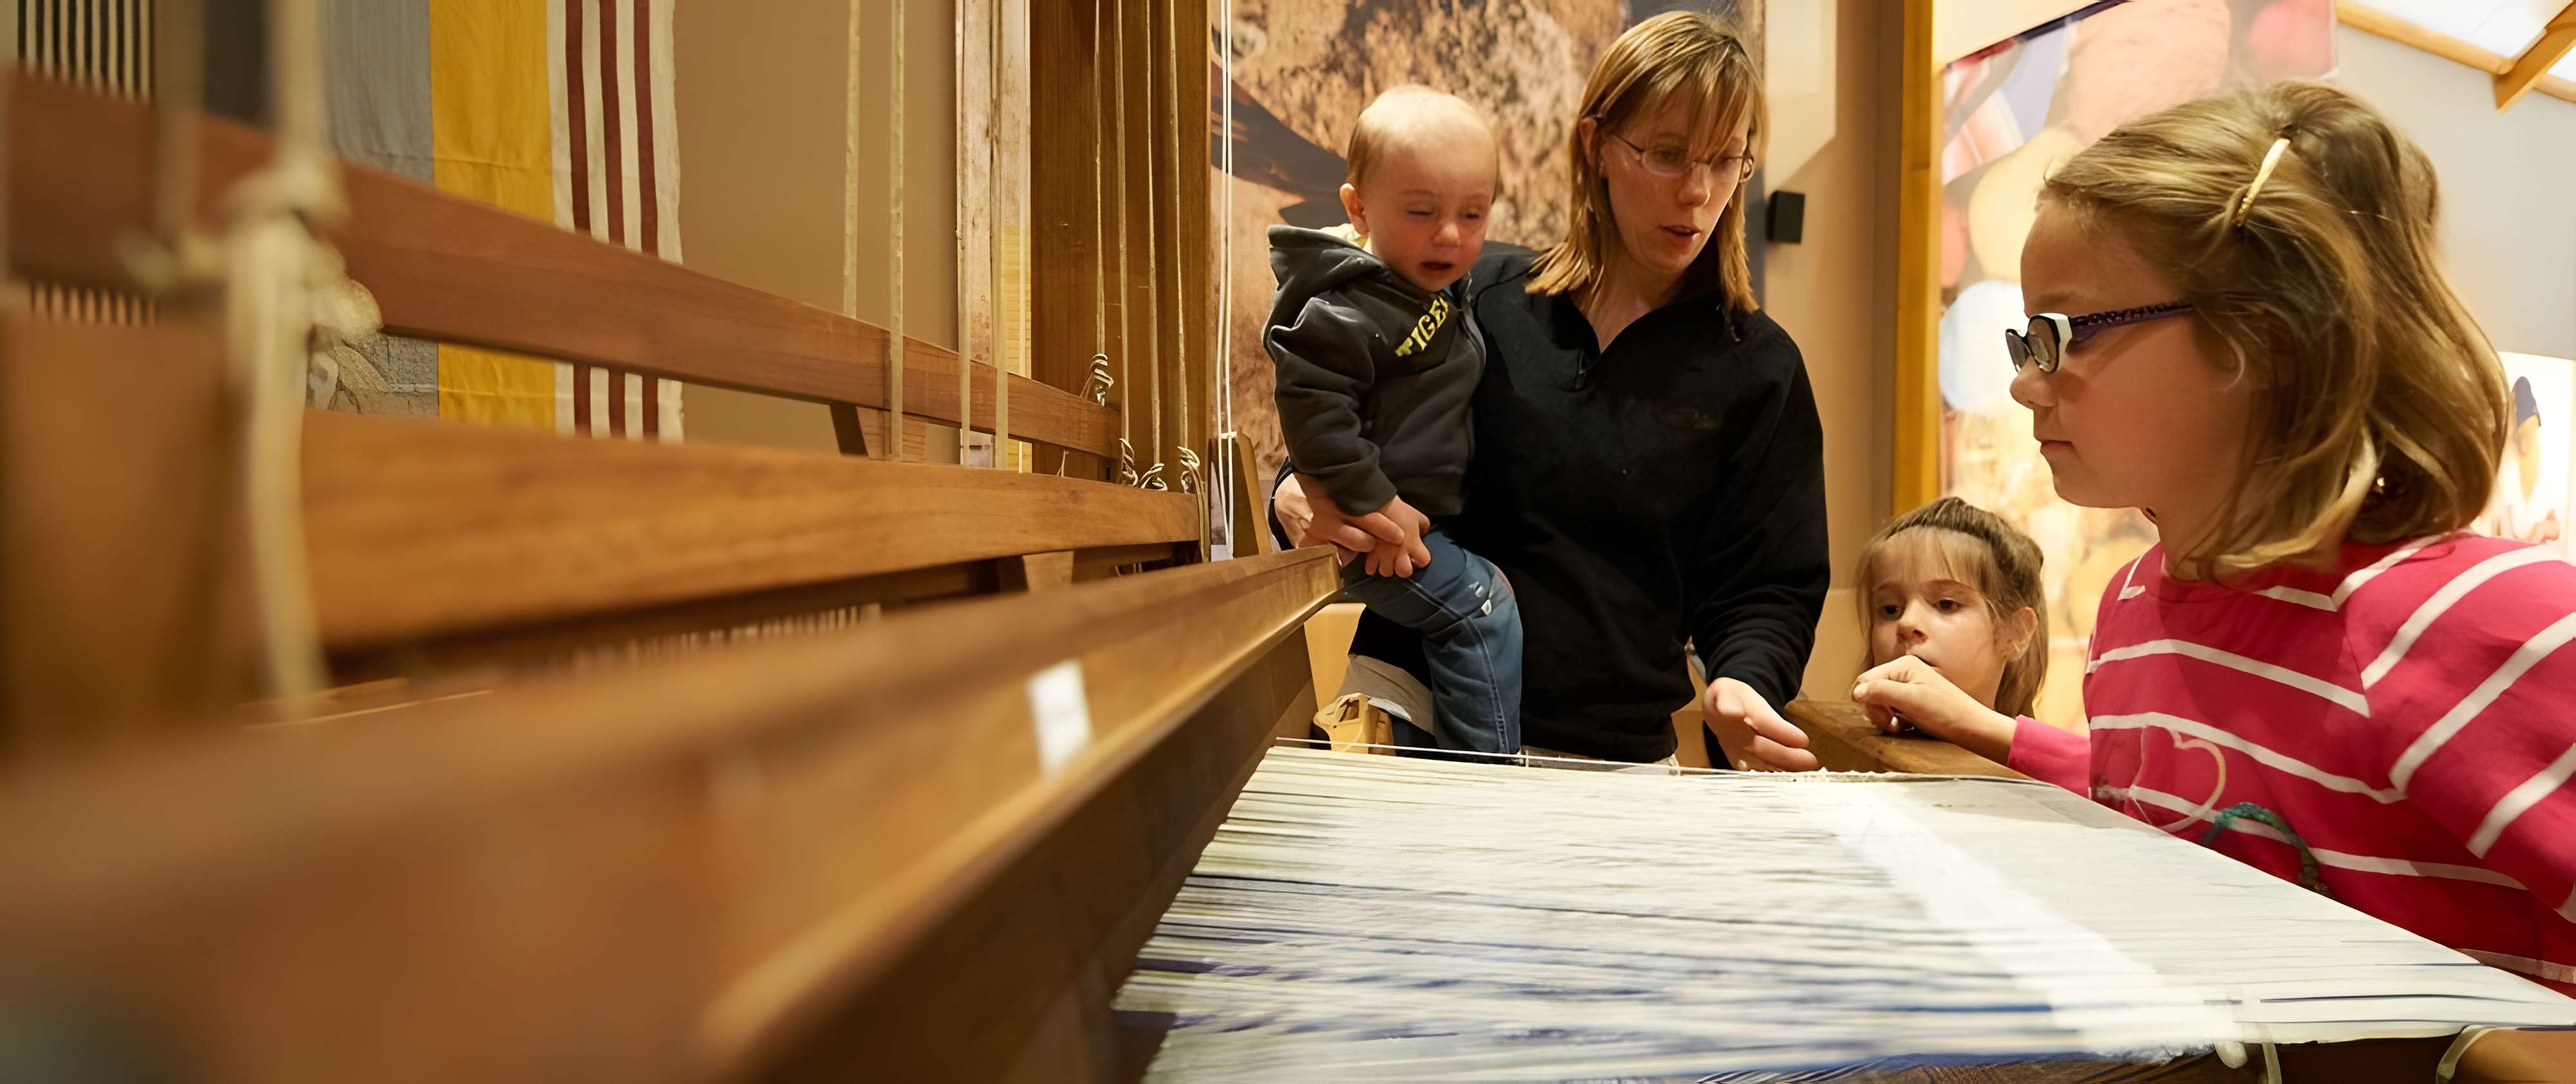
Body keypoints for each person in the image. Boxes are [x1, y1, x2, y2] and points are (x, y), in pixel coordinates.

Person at [1850, 81, 2576, 993]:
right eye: (2024, 343)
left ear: (2260, 343)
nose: (2030, 386)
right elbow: (2170, 804)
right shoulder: (2134, 606)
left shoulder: (2482, 623)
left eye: (2062, 335)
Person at [1274, 11, 1828, 769]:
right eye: (1666, 154)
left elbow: (1770, 585)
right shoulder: (1477, 297)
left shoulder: (1761, 368)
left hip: (1610, 763)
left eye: (1726, 160)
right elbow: (1347, 412)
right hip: (1412, 710)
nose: (1699, 192)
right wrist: (1295, 490)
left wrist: (1743, 679)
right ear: (1596, 144)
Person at [1268, 87, 1520, 754]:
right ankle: (1486, 784)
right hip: (1376, 534)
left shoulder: (1439, 287)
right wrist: (1370, 499)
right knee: (1481, 608)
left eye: (1473, 213)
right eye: (1421, 211)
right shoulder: (1346, 309)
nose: (1451, 235)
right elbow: (1313, 412)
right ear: (1357, 208)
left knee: (1480, 604)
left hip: (1420, 526)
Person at [1855, 498, 2045, 720]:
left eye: (1946, 605)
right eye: (1890, 609)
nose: (1907, 623)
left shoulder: (2022, 755)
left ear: (2016, 633)